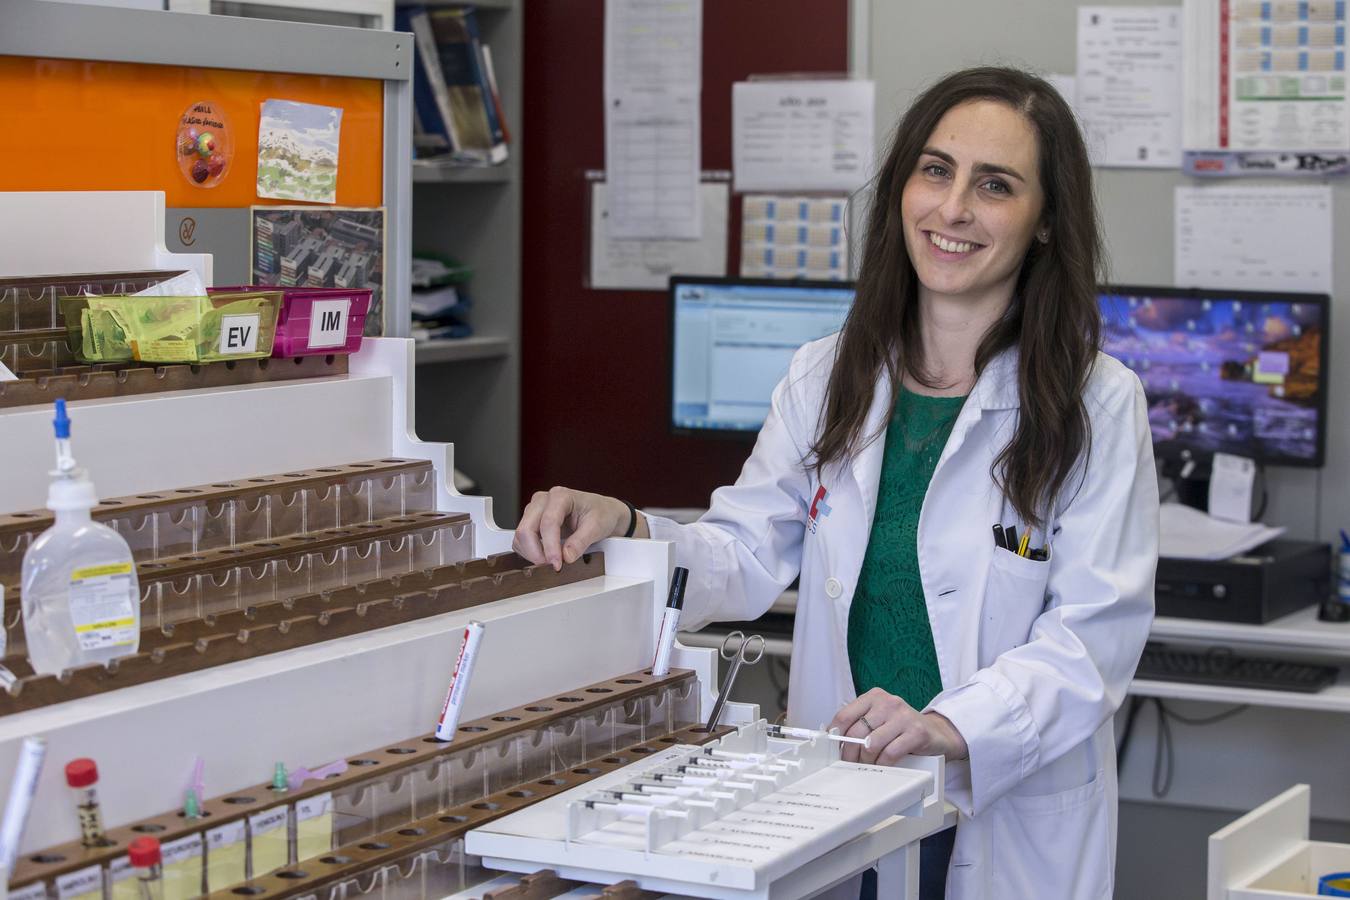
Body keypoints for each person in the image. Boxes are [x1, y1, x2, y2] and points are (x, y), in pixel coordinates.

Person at [514, 66, 1159, 900]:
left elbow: (1092, 638)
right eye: (936, 170)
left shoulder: (1096, 402)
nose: (953, 209)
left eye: (994, 186)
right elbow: (742, 554)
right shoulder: (825, 377)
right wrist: (627, 525)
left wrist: (948, 725)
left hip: (997, 806)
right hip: (840, 795)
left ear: (1043, 222)